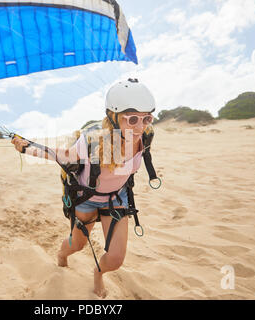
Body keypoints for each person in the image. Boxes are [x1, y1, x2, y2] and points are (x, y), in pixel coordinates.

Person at [11, 79, 156, 298]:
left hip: (117, 198)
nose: (140, 126)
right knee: (76, 244)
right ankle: (61, 255)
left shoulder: (145, 136)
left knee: (115, 260)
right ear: (112, 116)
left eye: (147, 118)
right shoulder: (94, 141)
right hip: (87, 199)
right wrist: (29, 148)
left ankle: (98, 273)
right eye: (132, 119)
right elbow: (62, 155)